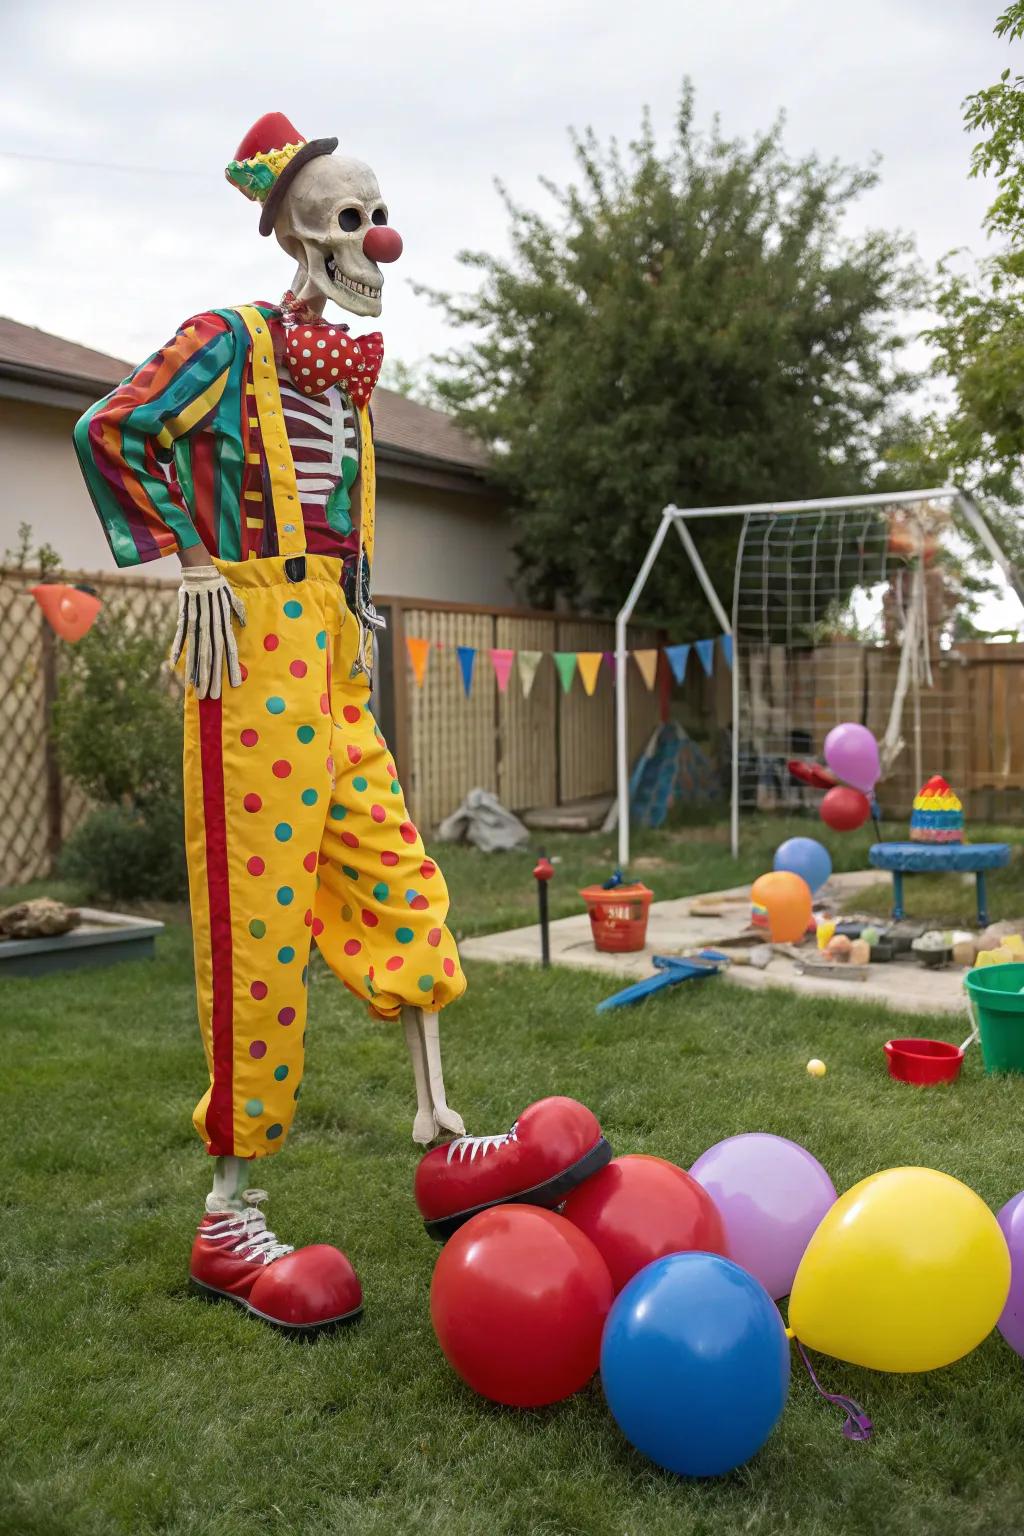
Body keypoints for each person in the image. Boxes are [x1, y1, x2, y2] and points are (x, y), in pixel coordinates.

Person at [73, 113, 467, 1334]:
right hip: (247, 647)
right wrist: (192, 563)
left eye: (379, 215)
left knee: (398, 871)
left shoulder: (345, 372)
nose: (377, 238)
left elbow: (342, 512)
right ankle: (228, 1213)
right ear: (301, 230)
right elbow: (112, 428)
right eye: (353, 218)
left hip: (332, 651)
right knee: (258, 924)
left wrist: (357, 608)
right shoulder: (229, 338)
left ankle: (441, 1124)